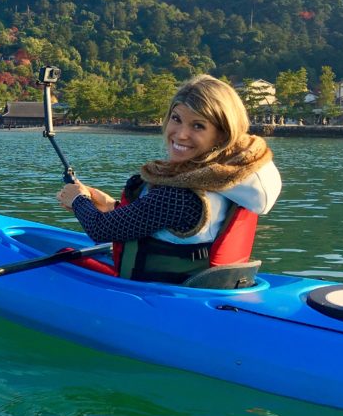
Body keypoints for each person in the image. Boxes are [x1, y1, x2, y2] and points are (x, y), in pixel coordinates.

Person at [56, 74, 282, 282]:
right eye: (176, 118)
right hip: (201, 291)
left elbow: (101, 230)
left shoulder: (180, 193)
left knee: (62, 257)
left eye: (198, 125)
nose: (181, 134)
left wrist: (78, 199)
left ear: (222, 134)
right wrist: (111, 205)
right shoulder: (229, 177)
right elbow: (164, 223)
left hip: (161, 296)